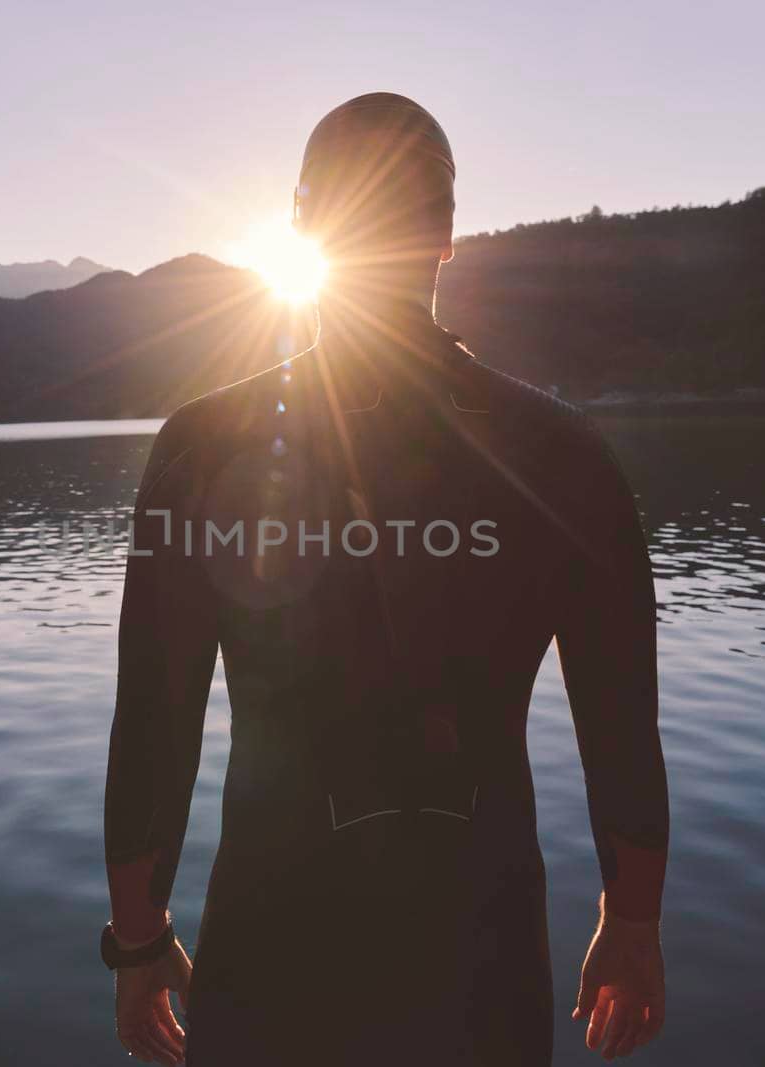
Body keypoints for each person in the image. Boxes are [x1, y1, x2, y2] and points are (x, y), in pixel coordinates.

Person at [102, 92, 669, 1066]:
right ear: (447, 232)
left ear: (302, 223)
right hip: (478, 944)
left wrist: (139, 938)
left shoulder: (206, 445)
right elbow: (618, 722)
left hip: (272, 940)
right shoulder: (559, 453)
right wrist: (632, 922)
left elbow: (155, 716)